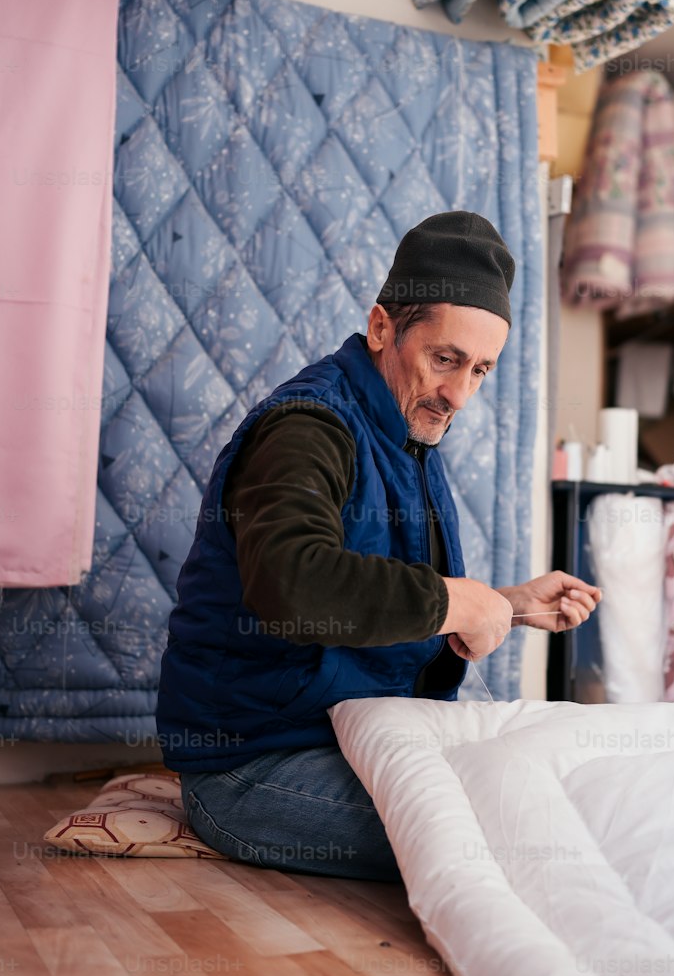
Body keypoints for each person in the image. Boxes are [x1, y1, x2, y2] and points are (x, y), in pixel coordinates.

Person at [157, 211, 600, 880]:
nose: (459, 394)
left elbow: (376, 598)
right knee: (512, 839)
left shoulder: (405, 422)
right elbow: (292, 582)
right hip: (250, 767)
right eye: (445, 358)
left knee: (562, 791)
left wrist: (503, 605)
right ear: (382, 327)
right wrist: (455, 602)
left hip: (353, 738)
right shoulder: (308, 427)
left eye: (480, 370)